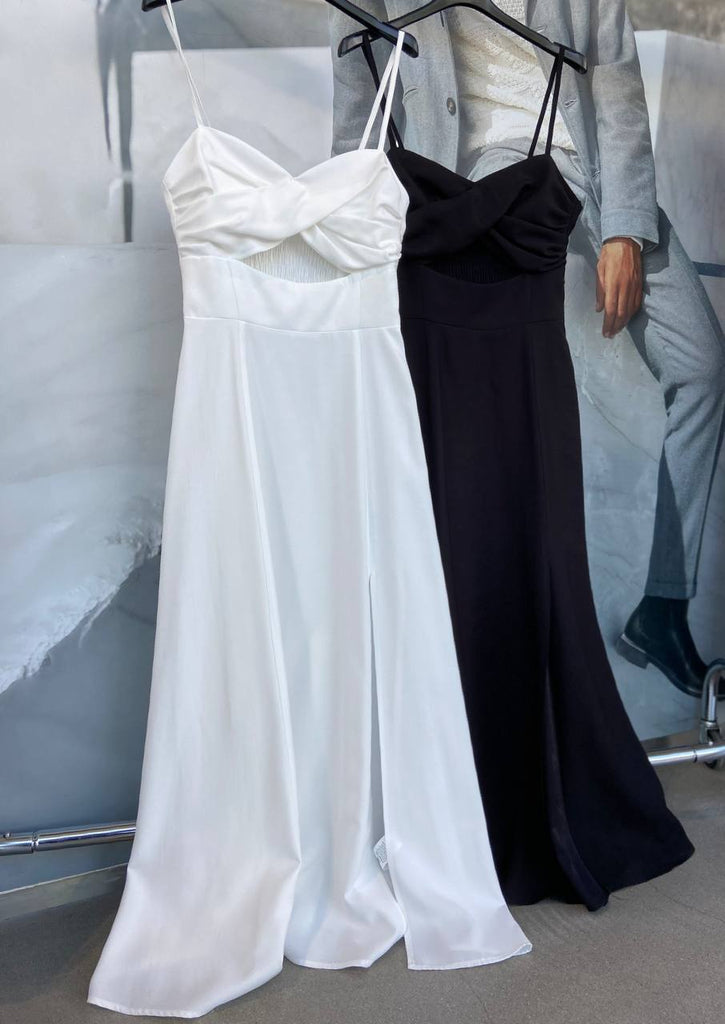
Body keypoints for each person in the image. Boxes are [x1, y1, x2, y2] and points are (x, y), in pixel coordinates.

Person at [328, 0, 725, 700]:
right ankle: (482, 621)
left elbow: (614, 79)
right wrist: (348, 228)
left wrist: (624, 230)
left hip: (587, 172)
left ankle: (661, 607)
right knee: (493, 410)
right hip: (472, 183)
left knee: (701, 364)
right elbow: (358, 92)